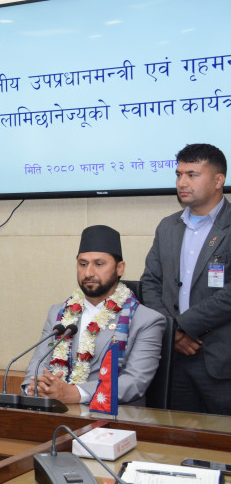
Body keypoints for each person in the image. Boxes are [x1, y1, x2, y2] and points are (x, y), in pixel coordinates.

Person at [22, 226, 164, 405]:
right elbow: (38, 364)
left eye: (99, 264)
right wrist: (34, 387)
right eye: (83, 264)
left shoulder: (147, 321)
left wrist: (75, 393)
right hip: (55, 411)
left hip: (116, 415)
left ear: (120, 268)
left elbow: (135, 382)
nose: (88, 273)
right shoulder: (58, 313)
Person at [141, 143, 231, 415]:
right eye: (179, 174)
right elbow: (150, 283)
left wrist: (182, 327)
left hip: (222, 361)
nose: (182, 182)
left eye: (192, 175)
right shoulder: (168, 226)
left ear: (218, 180)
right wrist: (172, 333)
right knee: (176, 436)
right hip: (174, 359)